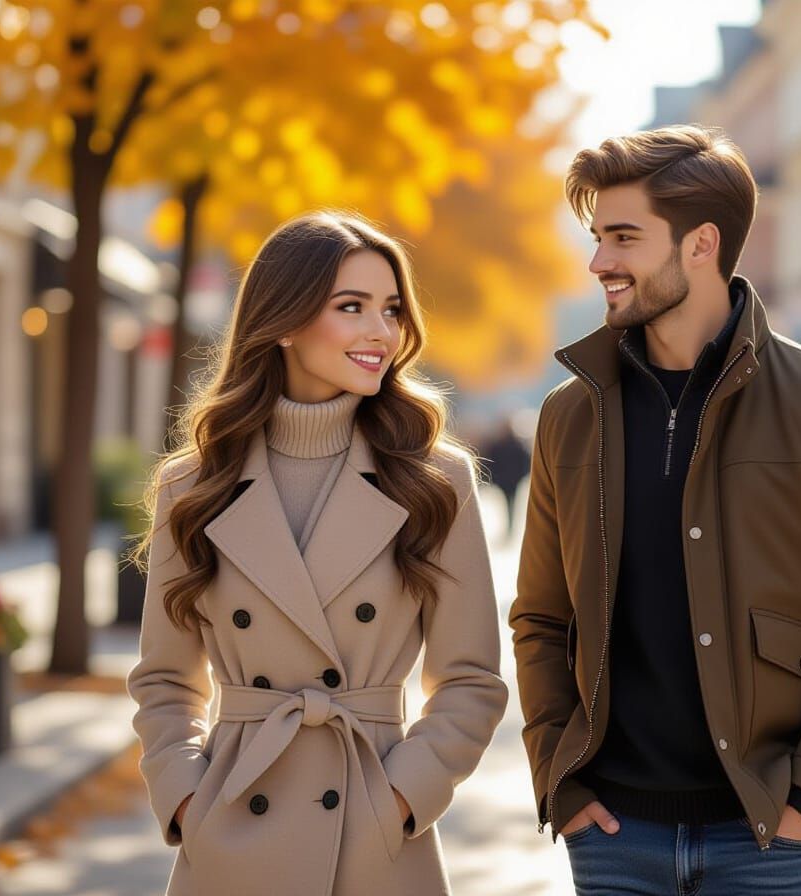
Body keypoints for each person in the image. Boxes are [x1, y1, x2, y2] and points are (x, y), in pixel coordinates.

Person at [509, 125, 801, 896]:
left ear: (700, 244)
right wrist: (559, 782)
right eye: (598, 236)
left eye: (624, 237)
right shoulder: (570, 416)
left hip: (767, 837)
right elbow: (540, 617)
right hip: (612, 840)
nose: (599, 261)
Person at [128, 212, 507, 895]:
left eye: (390, 310)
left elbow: (471, 681)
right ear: (284, 321)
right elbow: (164, 681)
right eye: (351, 307)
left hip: (373, 836)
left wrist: (397, 801)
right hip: (234, 826)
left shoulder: (434, 478)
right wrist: (186, 798)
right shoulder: (194, 483)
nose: (380, 332)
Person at [480, 415, 533, 538]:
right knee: (510, 503)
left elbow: (490, 463)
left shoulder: (503, 444)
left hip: (508, 480)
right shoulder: (515, 444)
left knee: (508, 503)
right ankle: (510, 527)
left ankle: (509, 527)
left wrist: (494, 478)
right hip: (510, 480)